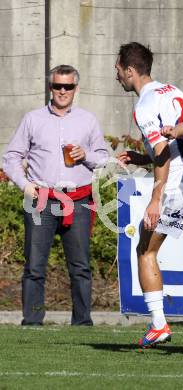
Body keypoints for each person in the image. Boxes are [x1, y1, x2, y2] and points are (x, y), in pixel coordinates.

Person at [115, 42, 183, 352]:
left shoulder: (144, 104)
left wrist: (155, 196)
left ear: (130, 70)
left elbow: (162, 150)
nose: (117, 76)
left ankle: (159, 324)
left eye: (118, 70)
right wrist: (142, 159)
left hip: (176, 187)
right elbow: (180, 143)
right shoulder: (175, 90)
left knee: (145, 251)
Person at [2, 64, 109, 326]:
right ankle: (32, 322)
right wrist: (24, 184)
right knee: (35, 266)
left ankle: (82, 323)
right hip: (41, 199)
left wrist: (86, 155)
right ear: (50, 87)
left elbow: (104, 159)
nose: (62, 91)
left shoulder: (88, 120)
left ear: (76, 88)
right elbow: (11, 157)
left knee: (81, 267)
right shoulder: (33, 119)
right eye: (57, 86)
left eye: (68, 86)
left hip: (79, 200)